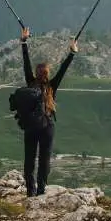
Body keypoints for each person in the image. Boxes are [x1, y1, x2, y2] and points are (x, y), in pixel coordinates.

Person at [19, 27, 78, 197]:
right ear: (47, 74)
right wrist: (72, 52)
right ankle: (41, 190)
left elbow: (26, 63)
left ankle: (30, 191)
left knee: (29, 159)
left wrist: (24, 42)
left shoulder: (30, 83)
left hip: (31, 126)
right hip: (47, 127)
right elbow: (63, 69)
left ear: (36, 74)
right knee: (44, 160)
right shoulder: (52, 86)